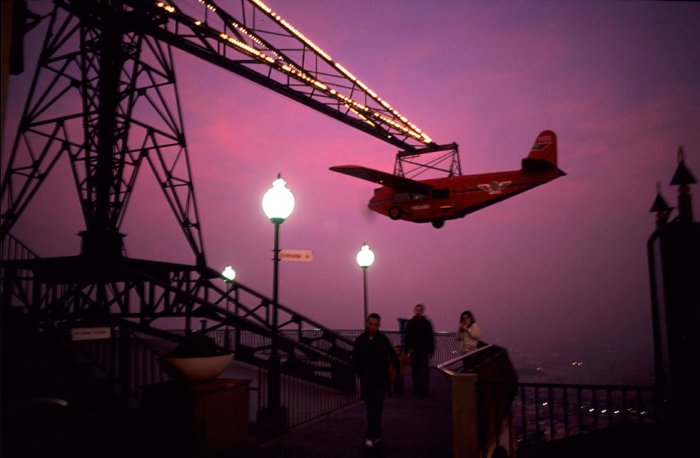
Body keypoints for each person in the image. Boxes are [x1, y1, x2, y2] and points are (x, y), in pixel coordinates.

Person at [352, 313, 400, 449]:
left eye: (376, 325)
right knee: (370, 409)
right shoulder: (360, 340)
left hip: (380, 380)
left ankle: (370, 436)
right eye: (371, 324)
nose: (373, 327)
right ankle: (376, 433)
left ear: (379, 325)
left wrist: (397, 371)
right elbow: (355, 358)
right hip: (367, 381)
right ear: (367, 323)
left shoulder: (383, 339)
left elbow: (392, 354)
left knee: (376, 409)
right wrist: (359, 373)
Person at [404, 303, 435, 398]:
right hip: (414, 349)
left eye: (419, 310)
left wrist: (431, 351)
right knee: (415, 370)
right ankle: (417, 388)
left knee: (424, 370)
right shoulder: (411, 323)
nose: (418, 312)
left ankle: (423, 388)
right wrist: (407, 350)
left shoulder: (426, 323)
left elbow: (430, 337)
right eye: (416, 310)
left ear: (422, 311)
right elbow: (407, 337)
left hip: (423, 349)